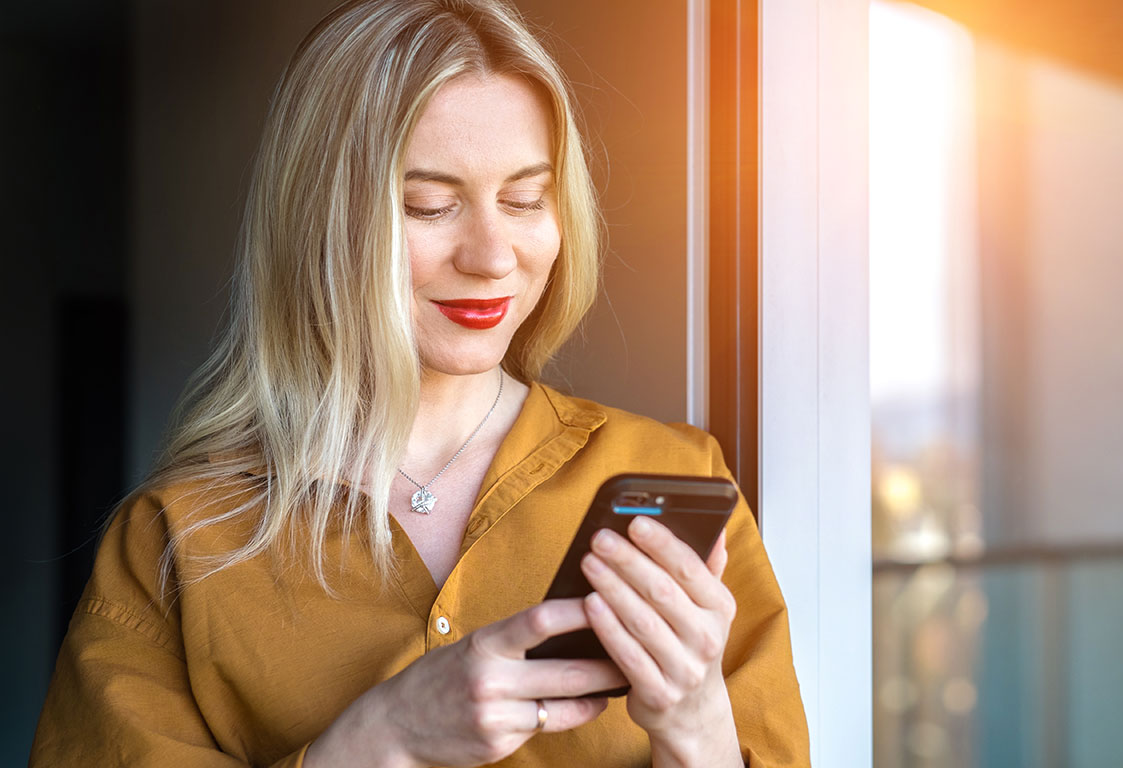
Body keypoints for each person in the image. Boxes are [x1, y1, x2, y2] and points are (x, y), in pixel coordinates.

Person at [29, 1, 809, 766]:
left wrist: (698, 729)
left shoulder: (673, 477)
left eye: (525, 200)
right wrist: (378, 740)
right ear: (322, 219)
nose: (492, 255)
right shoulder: (179, 541)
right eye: (429, 206)